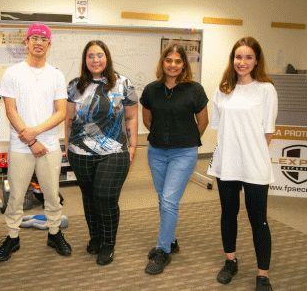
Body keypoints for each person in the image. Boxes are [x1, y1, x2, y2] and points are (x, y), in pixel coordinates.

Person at [0, 23, 72, 261]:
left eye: (43, 39)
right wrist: (29, 141)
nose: (39, 42)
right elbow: (11, 110)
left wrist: (35, 134)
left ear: (49, 44)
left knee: (52, 193)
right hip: (21, 146)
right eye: (34, 38)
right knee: (16, 195)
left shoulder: (57, 75)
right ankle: (12, 236)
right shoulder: (12, 73)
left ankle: (54, 232)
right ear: (26, 42)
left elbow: (61, 113)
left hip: (48, 145)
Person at [207, 37, 277, 291]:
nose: (242, 62)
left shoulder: (266, 89)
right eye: (238, 57)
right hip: (226, 164)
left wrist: (252, 155)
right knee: (228, 214)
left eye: (248, 57)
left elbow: (268, 132)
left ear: (256, 60)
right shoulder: (223, 88)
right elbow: (220, 128)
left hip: (255, 166)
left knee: (258, 219)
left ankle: (263, 274)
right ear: (232, 59)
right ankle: (230, 261)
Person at [64, 40, 138, 265]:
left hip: (114, 151)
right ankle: (95, 237)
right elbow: (68, 119)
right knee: (89, 197)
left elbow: (132, 117)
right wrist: (67, 146)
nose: (95, 60)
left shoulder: (123, 84)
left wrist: (133, 146)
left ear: (107, 57)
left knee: (105, 197)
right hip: (80, 152)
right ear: (85, 60)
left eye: (99, 55)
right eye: (90, 56)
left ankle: (108, 243)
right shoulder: (75, 85)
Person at [140, 43, 208, 275]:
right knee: (163, 199)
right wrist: (164, 137)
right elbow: (147, 120)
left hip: (184, 152)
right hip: (157, 151)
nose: (173, 65)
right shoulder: (151, 90)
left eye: (178, 61)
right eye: (169, 60)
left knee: (169, 199)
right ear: (163, 63)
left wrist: (186, 139)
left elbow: (203, 121)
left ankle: (163, 251)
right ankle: (171, 240)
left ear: (184, 65)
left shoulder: (194, 90)